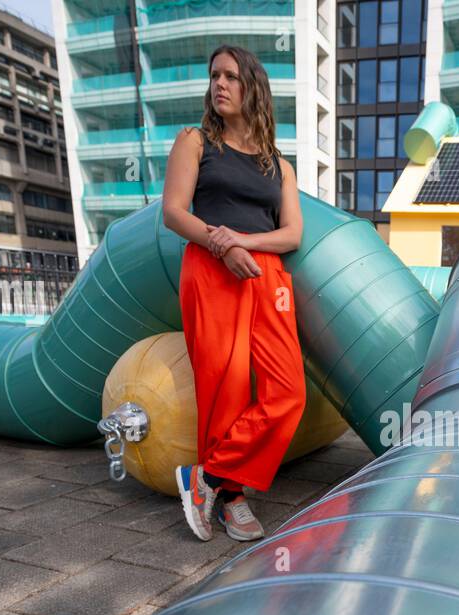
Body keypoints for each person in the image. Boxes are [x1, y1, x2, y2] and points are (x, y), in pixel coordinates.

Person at [161, 44, 306, 542]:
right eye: (213, 76)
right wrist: (222, 247)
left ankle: (208, 475)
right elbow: (174, 212)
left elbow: (292, 234)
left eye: (230, 76)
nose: (218, 84)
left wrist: (243, 241)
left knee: (288, 392)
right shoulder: (195, 141)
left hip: (266, 273)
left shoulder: (278, 165)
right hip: (210, 266)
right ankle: (233, 498)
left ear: (253, 87)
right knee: (223, 386)